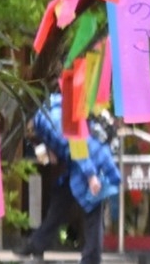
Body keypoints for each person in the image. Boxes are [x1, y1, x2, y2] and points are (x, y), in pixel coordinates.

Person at [19, 93, 122, 264]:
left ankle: (91, 258)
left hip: (89, 160)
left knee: (92, 210)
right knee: (60, 201)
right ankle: (37, 243)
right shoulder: (47, 116)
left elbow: (76, 143)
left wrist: (91, 176)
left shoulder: (50, 120)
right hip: (79, 162)